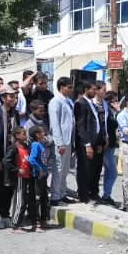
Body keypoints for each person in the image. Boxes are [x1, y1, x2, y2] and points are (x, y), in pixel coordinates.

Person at [0, 87, 21, 229]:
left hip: (13, 156)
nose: (14, 99)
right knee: (0, 186)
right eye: (11, 97)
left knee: (10, 187)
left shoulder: (15, 114)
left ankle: (5, 214)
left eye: (15, 97)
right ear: (3, 98)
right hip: (1, 156)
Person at [73, 81, 104, 205]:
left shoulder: (91, 103)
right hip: (86, 143)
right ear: (86, 89)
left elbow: (96, 122)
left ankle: (92, 192)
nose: (95, 91)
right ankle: (83, 195)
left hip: (95, 141)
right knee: (84, 169)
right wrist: (87, 144)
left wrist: (100, 140)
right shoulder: (81, 103)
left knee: (93, 169)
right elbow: (81, 126)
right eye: (93, 89)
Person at [48, 77, 75, 205]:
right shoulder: (55, 102)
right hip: (61, 141)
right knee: (58, 169)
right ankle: (55, 196)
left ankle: (62, 193)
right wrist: (59, 143)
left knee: (65, 170)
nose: (71, 90)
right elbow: (55, 123)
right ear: (61, 87)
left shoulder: (68, 101)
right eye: (69, 87)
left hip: (68, 140)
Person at [6, 125, 38, 233]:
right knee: (21, 201)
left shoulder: (27, 146)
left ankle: (34, 223)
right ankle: (15, 225)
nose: (26, 135)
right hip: (20, 178)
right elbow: (7, 162)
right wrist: (17, 170)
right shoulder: (13, 148)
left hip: (29, 176)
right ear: (17, 136)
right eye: (23, 133)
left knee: (32, 200)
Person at [26, 123, 51, 231]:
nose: (44, 133)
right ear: (37, 134)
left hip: (43, 176)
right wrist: (39, 169)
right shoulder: (35, 145)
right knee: (36, 199)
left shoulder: (41, 144)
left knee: (44, 198)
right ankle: (35, 223)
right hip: (37, 177)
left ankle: (43, 220)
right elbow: (31, 159)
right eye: (41, 131)